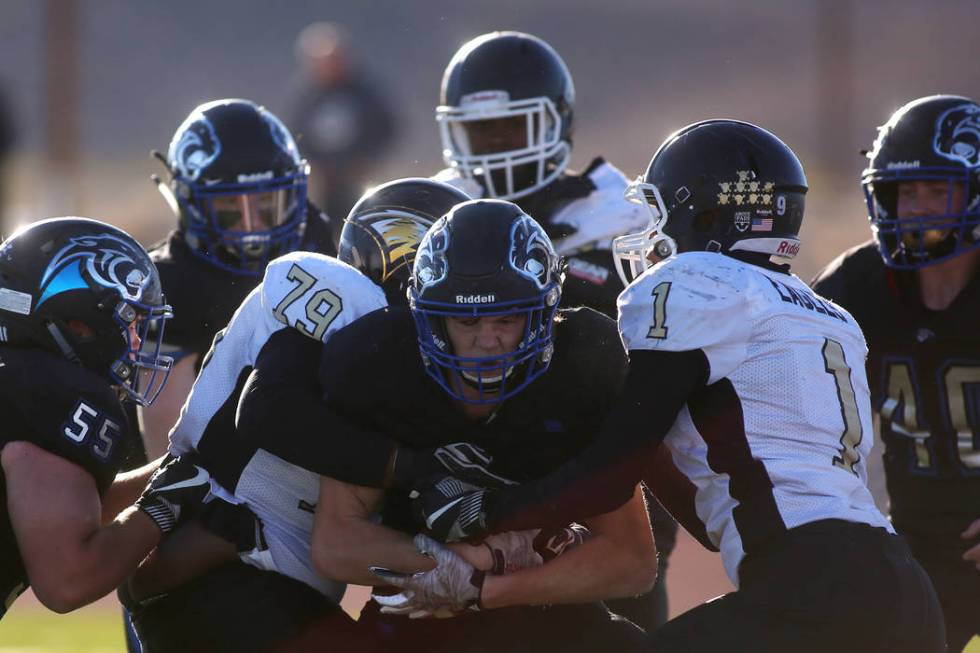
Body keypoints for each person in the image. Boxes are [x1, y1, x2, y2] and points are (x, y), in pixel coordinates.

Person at [414, 120, 946, 652]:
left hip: (811, 586)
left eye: (660, 211)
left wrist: (490, 513)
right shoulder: (828, 316)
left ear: (707, 215)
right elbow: (702, 516)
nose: (650, 232)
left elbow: (608, 477)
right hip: (900, 585)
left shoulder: (692, 283)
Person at [123, 179, 499, 653]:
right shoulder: (342, 309)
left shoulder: (401, 351)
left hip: (262, 579)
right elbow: (266, 411)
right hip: (217, 566)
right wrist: (413, 468)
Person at [304, 200, 653, 652]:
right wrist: (450, 566)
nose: (487, 340)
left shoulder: (580, 370)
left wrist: (484, 588)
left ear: (545, 312)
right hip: (420, 613)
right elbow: (336, 542)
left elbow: (632, 560)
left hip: (545, 614)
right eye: (466, 319)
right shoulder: (381, 365)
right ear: (428, 317)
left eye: (506, 318)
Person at [433, 30, 675, 628]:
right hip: (478, 457)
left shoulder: (620, 214)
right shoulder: (436, 208)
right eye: (479, 131)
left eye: (509, 128)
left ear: (553, 124)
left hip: (598, 460)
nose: (494, 147)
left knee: (625, 617)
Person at [812, 94, 980, 652]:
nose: (920, 208)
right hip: (916, 552)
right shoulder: (855, 286)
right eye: (907, 192)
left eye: (938, 189)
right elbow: (792, 403)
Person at [0, 217, 209, 619]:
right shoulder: (49, 394)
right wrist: (169, 501)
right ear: (77, 323)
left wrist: (183, 470)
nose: (136, 343)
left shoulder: (17, 378)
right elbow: (67, 580)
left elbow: (67, 505)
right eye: (130, 321)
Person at [139, 98, 336, 461]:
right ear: (190, 204)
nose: (251, 226)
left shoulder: (317, 239)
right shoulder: (169, 282)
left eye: (267, 206)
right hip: (214, 474)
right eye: (230, 210)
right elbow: (167, 451)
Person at [286, 22, 397, 235]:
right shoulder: (309, 97)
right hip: (325, 185)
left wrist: (366, 158)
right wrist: (314, 163)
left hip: (361, 181)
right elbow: (296, 136)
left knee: (364, 230)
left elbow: (388, 127)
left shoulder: (364, 93)